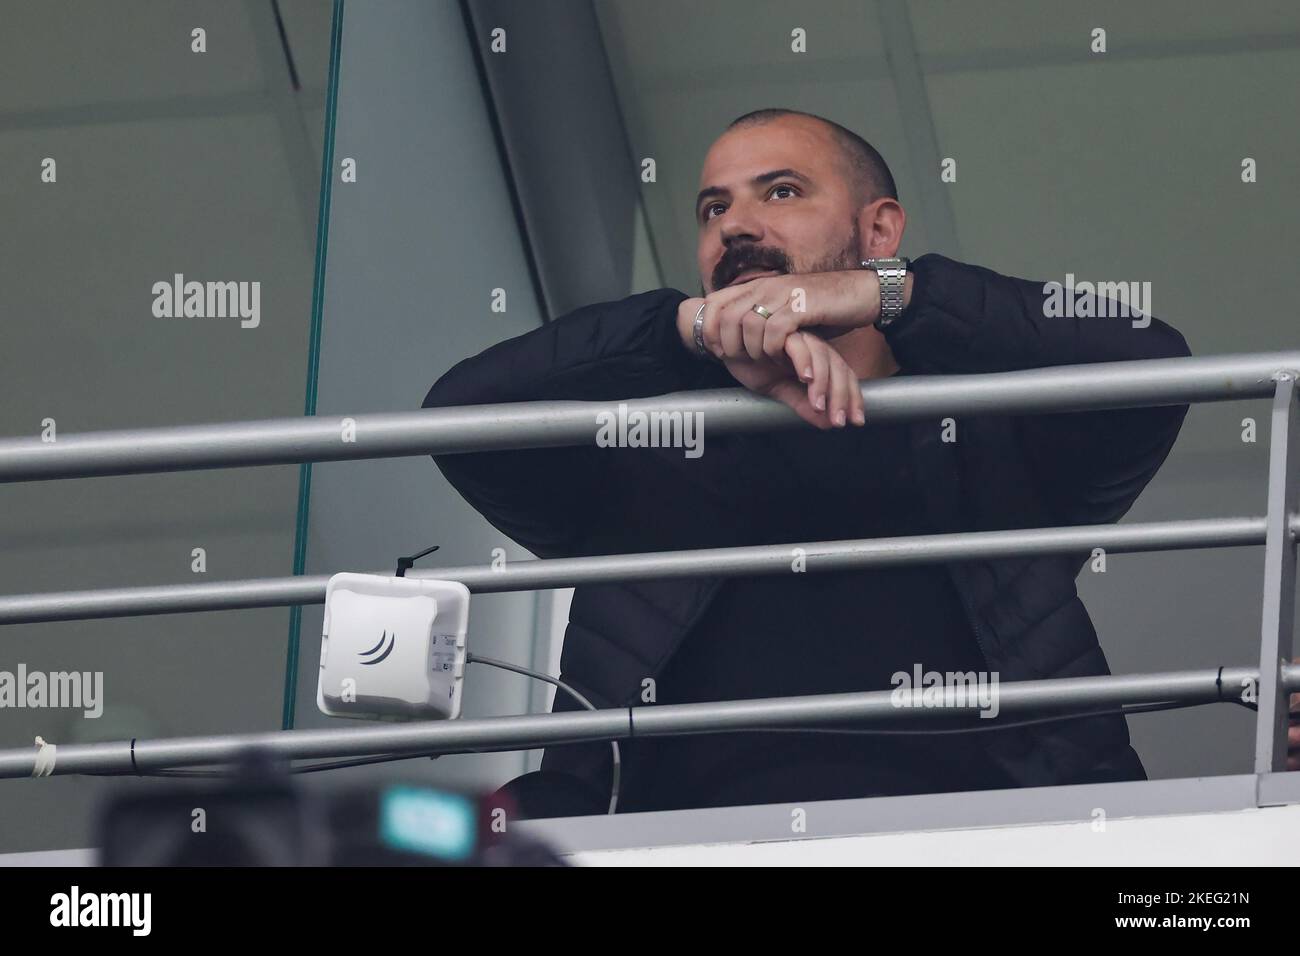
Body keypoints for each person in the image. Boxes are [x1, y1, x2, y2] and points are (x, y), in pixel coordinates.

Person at [422, 108, 1192, 817]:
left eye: (781, 192)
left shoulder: (996, 435)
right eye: (713, 209)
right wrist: (680, 330)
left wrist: (889, 295)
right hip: (675, 843)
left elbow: (1152, 363)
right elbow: (462, 412)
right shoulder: (645, 452)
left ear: (880, 229)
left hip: (992, 836)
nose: (734, 228)